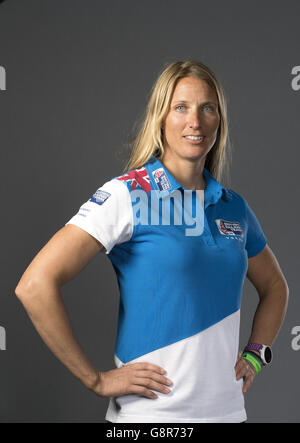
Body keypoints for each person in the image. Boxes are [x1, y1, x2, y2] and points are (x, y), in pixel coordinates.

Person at [15, 60, 289, 423]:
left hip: (228, 414)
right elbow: (34, 286)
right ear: (160, 118)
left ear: (219, 120)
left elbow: (275, 287)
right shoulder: (126, 194)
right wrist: (94, 380)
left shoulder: (232, 206)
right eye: (181, 107)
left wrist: (256, 353)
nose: (196, 121)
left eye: (208, 108)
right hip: (149, 418)